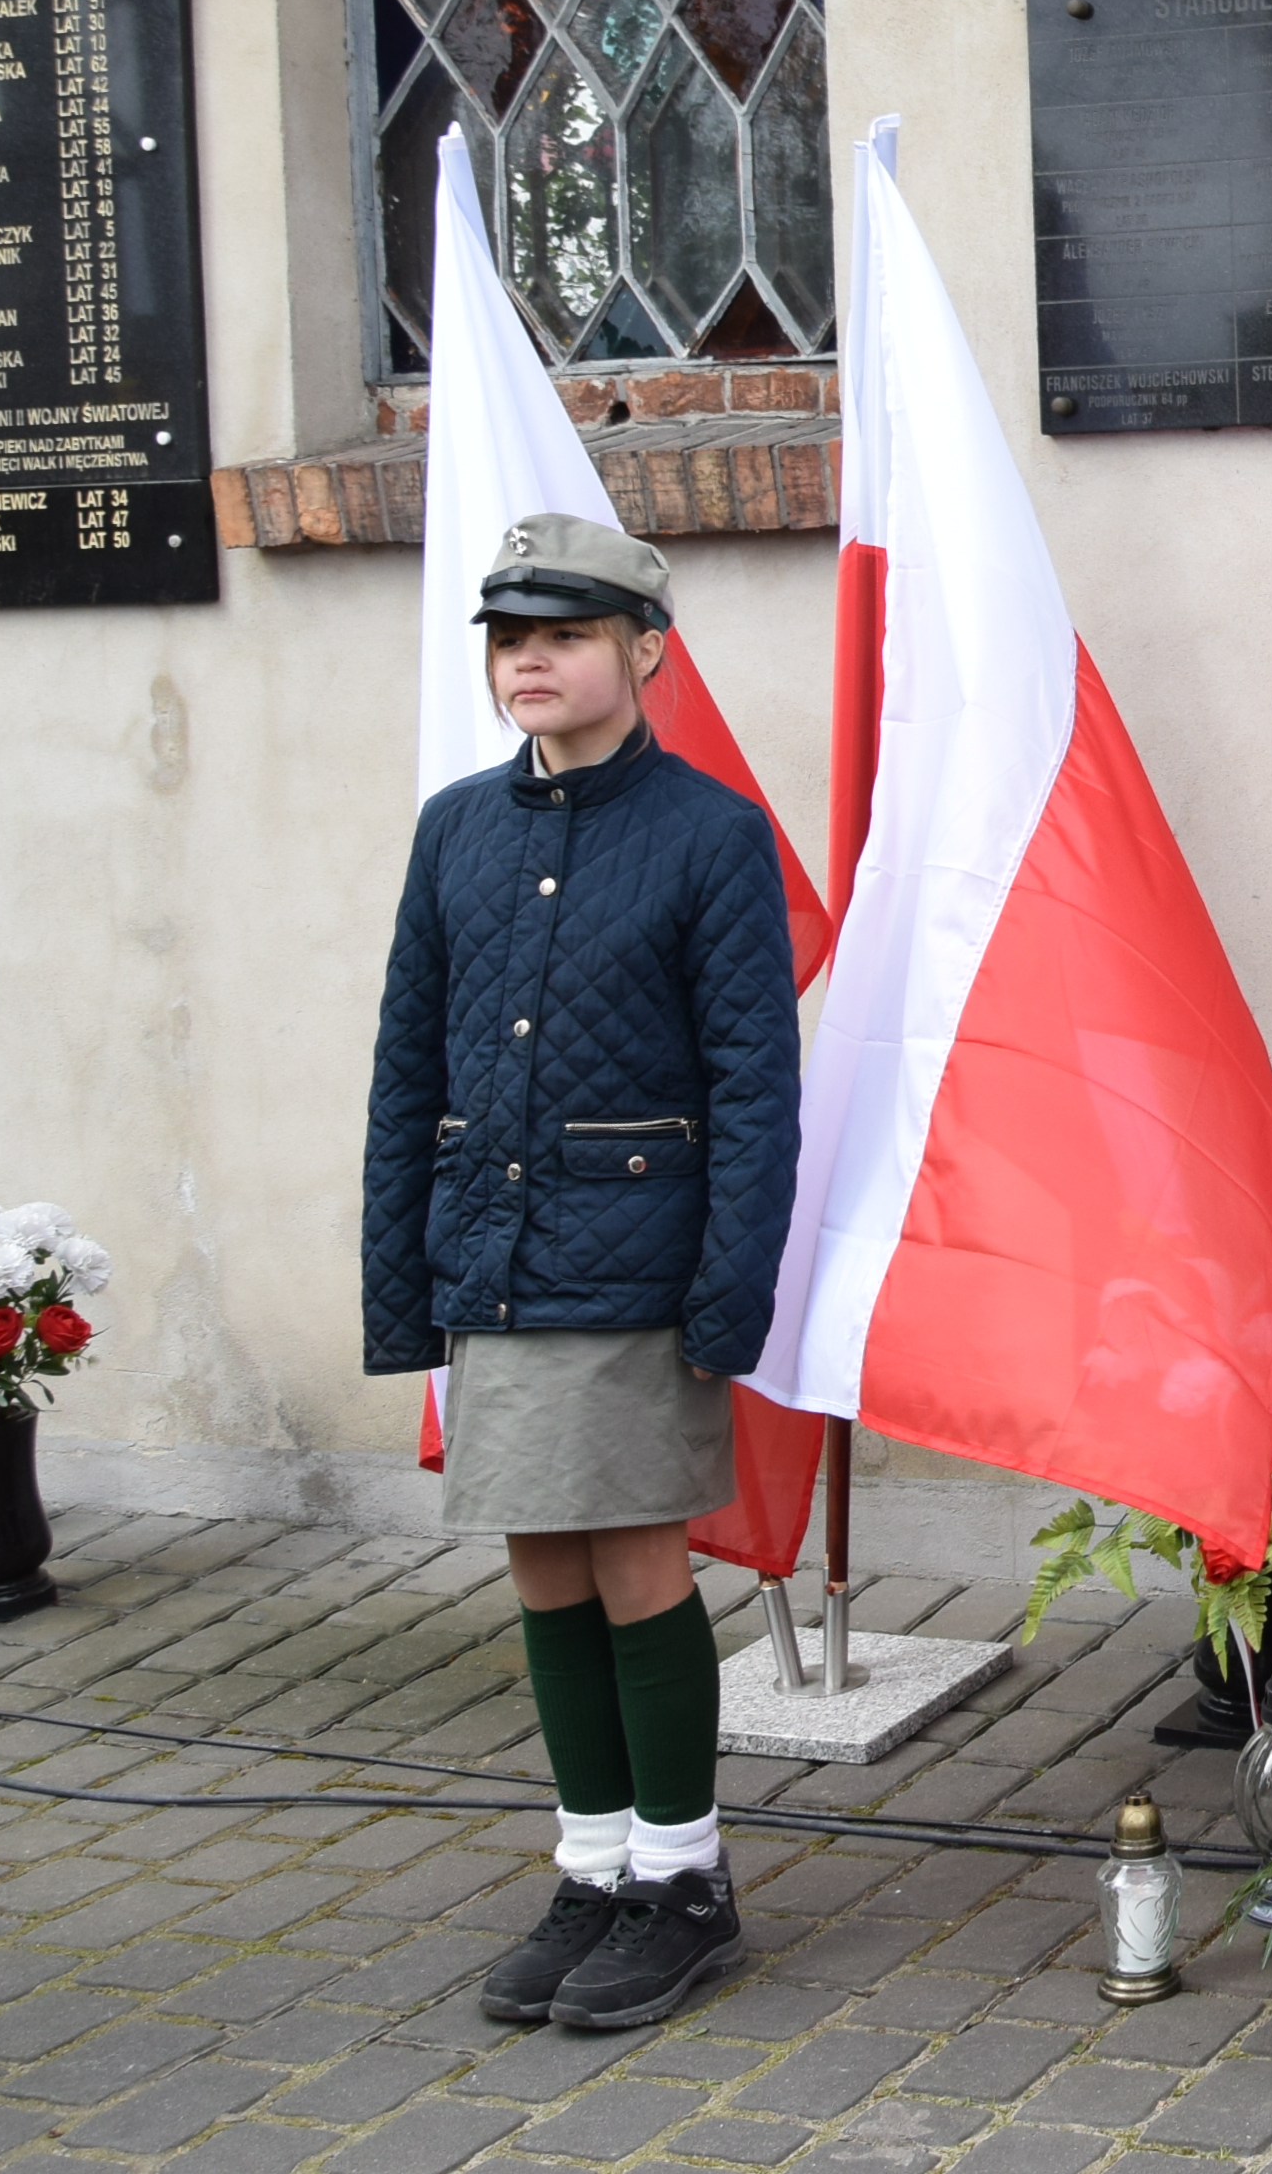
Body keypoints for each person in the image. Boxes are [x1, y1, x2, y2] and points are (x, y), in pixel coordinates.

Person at [361, 514, 800, 2032]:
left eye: (564, 635)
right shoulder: (456, 830)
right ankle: (596, 1862)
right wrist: (401, 1282)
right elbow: (408, 1067)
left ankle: (683, 1880)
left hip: (636, 1266)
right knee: (540, 1561)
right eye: (509, 638)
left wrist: (728, 1290)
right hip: (492, 1258)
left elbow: (754, 1086)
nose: (529, 660)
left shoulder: (711, 834)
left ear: (645, 651)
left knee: (633, 1563)